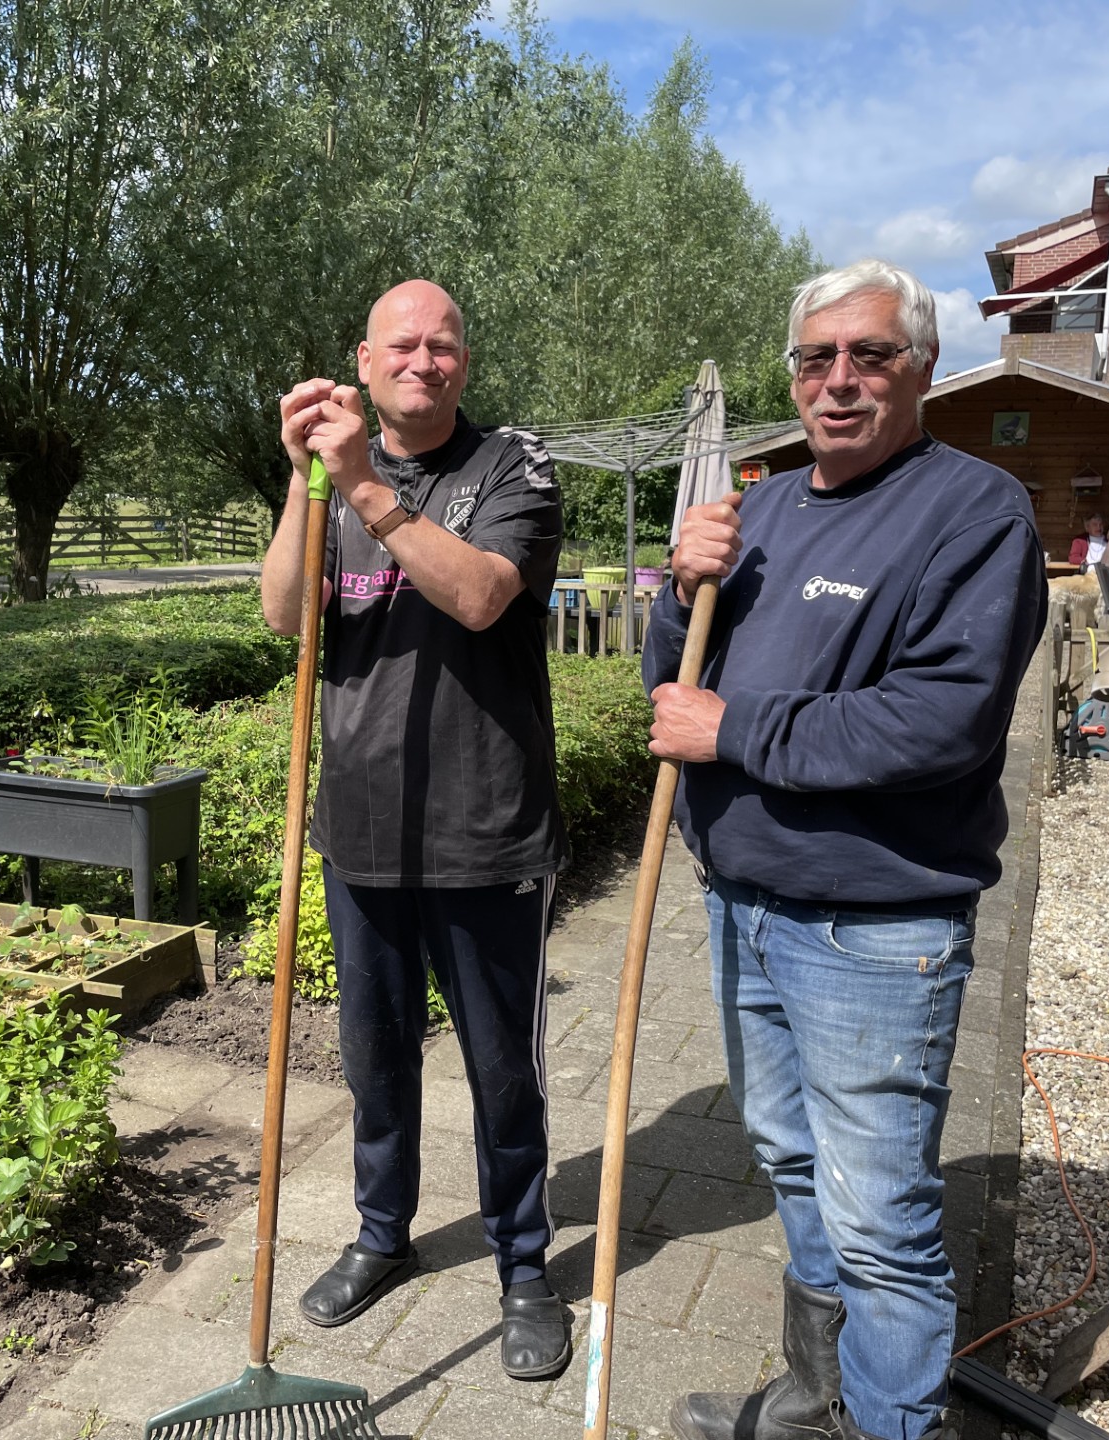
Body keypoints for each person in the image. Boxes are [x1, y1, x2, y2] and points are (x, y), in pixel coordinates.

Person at [646, 259, 1046, 1440]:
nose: (839, 381)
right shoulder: (760, 511)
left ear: (920, 367)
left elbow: (943, 720)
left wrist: (736, 730)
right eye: (816, 358)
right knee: (792, 1164)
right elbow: (678, 686)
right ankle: (814, 1400)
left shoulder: (974, 513)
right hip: (744, 908)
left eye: (869, 356)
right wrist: (680, 590)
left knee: (879, 1218)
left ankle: (885, 1425)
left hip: (871, 931)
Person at [259, 278, 572, 1381]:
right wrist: (310, 487)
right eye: (403, 343)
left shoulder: (513, 467)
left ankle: (525, 1265)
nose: (423, 360)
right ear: (364, 358)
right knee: (374, 1061)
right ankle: (381, 1235)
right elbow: (288, 615)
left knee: (502, 1072)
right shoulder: (328, 477)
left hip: (486, 829)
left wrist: (370, 492)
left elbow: (484, 594)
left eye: (442, 345)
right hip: (362, 828)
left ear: (464, 364)